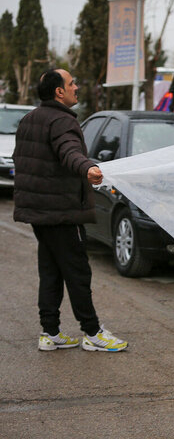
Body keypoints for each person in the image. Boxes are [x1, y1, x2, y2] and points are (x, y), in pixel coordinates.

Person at [13, 69, 128, 352]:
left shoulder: (29, 119)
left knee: (51, 270)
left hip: (40, 212)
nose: (77, 87)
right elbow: (70, 152)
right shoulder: (62, 121)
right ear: (59, 92)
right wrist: (88, 167)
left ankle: (50, 332)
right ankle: (92, 332)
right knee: (77, 272)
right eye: (72, 83)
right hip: (63, 212)